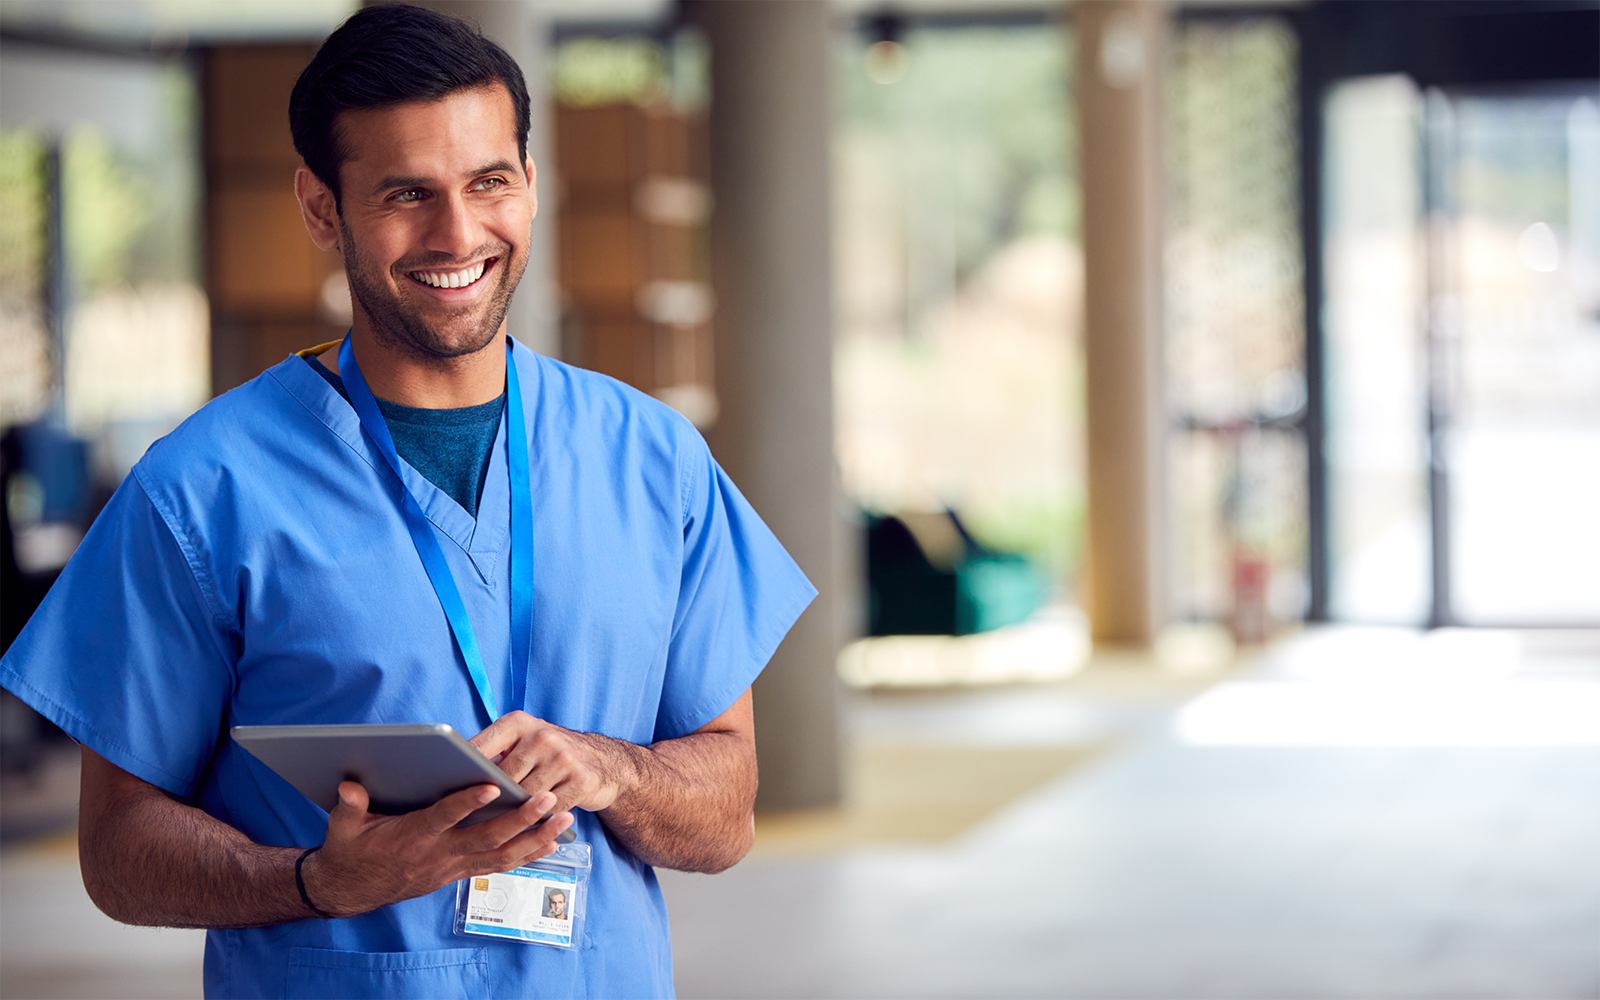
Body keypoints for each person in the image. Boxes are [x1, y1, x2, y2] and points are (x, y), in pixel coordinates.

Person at [0, 5, 814, 998]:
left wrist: (613, 768)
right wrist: (314, 881)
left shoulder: (653, 458)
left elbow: (725, 816)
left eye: (489, 182)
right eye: (406, 194)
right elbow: (118, 852)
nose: (457, 233)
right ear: (321, 209)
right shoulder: (202, 490)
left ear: (530, 184)